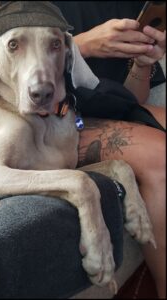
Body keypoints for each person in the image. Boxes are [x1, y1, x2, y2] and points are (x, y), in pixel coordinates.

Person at [51, 1, 166, 298]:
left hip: (111, 114)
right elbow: (9, 67)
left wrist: (143, 62)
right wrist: (81, 45)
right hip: (52, 122)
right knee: (160, 156)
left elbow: (131, 100)